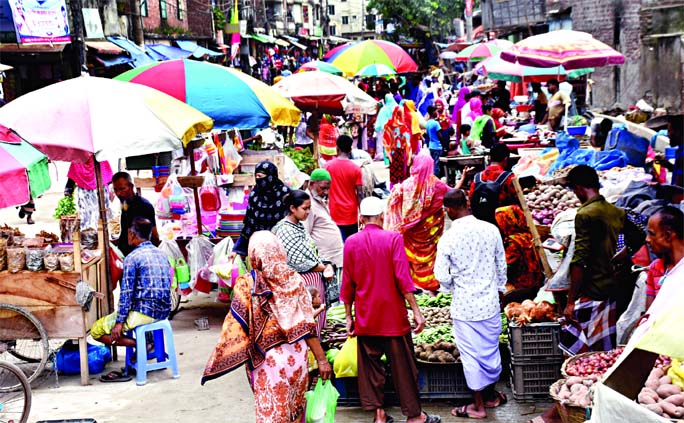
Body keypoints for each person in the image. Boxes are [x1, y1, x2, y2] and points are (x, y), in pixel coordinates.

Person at [202, 231, 332, 423]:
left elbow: (235, 325)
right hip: (297, 356)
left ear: (254, 254)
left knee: (272, 413)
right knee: (295, 409)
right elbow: (308, 324)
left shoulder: (248, 283)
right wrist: (322, 360)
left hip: (268, 360)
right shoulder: (294, 280)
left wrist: (221, 357)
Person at [341, 197, 440, 423]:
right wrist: (416, 310)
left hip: (366, 318)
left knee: (372, 371)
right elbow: (402, 278)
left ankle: (379, 416)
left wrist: (348, 315)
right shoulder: (392, 238)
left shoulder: (351, 242)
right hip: (393, 318)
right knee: (404, 369)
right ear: (383, 217)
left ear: (361, 219)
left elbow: (347, 283)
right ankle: (415, 417)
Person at [434, 189, 507, 419]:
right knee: (490, 351)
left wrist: (449, 286)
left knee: (471, 356)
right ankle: (492, 396)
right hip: (489, 304)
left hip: (465, 307)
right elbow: (501, 265)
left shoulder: (448, 238)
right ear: (467, 203)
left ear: (449, 210)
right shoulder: (490, 229)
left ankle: (478, 406)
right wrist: (500, 289)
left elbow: (441, 275)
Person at [560, 165, 644, 355]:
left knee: (582, 344)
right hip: (613, 286)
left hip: (593, 288)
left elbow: (579, 259)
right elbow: (639, 235)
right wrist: (626, 252)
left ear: (579, 188)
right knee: (605, 344)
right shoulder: (616, 211)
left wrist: (571, 301)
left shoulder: (584, 214)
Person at [91, 218, 171, 382]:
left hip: (143, 312)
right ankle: (144, 345)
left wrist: (119, 322)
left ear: (132, 235)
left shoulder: (132, 258)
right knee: (127, 315)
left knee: (96, 331)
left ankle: (141, 346)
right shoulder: (162, 254)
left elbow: (126, 294)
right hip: (163, 311)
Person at [385, 151, 450, 292]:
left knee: (412, 256)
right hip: (430, 232)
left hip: (412, 233)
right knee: (431, 257)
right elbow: (451, 195)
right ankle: (430, 285)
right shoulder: (436, 185)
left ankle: (414, 284)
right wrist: (462, 180)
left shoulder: (406, 185)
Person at [272, 190, 335, 336]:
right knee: (306, 322)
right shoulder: (285, 230)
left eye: (309, 208)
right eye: (304, 208)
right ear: (292, 208)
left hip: (313, 279)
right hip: (302, 281)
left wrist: (326, 265)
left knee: (316, 319)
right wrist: (325, 267)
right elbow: (297, 261)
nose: (307, 212)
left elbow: (311, 252)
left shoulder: (298, 226)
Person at [232, 161, 290, 256]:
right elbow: (249, 225)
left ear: (271, 176)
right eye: (256, 176)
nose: (258, 180)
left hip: (282, 247)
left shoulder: (285, 194)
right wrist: (236, 250)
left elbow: (290, 222)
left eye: (261, 176)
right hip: (258, 247)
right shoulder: (255, 195)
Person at [303, 169, 344, 301]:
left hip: (334, 259)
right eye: (323, 188)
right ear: (311, 184)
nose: (326, 192)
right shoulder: (306, 204)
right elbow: (305, 234)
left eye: (328, 188)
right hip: (326, 261)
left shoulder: (318, 200)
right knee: (330, 298)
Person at [495, 205, 544, 292]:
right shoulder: (529, 235)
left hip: (522, 284)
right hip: (537, 280)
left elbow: (506, 265)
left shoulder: (513, 242)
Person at [325, 135, 364, 241]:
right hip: (351, 212)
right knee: (352, 244)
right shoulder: (356, 169)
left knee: (339, 244)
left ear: (337, 148)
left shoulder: (327, 167)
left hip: (334, 211)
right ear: (350, 150)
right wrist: (363, 214)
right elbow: (360, 194)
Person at [469, 144, 519, 225]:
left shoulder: (477, 177)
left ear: (489, 158)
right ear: (506, 159)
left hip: (480, 222)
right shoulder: (509, 177)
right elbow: (517, 198)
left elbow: (471, 199)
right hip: (502, 224)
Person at [644, 206, 684, 308]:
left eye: (651, 234)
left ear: (667, 236)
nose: (647, 239)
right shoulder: (655, 268)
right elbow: (650, 313)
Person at [112, 172, 159, 257]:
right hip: (126, 256)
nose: (118, 193)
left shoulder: (144, 206)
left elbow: (154, 235)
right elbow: (125, 232)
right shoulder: (125, 204)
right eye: (115, 190)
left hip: (139, 257)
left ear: (131, 187)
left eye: (122, 189)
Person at [66, 157, 114, 230]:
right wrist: (68, 188)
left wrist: (111, 189)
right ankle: (89, 237)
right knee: (86, 220)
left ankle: (102, 236)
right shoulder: (78, 158)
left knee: (102, 219)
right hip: (84, 193)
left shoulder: (100, 157)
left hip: (100, 191)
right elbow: (72, 176)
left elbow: (108, 176)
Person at [384, 107, 412, 186]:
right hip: (401, 153)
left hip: (393, 153)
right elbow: (407, 143)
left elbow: (386, 141)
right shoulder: (403, 127)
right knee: (403, 175)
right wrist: (409, 156)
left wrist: (388, 153)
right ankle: (402, 191)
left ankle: (394, 191)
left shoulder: (388, 126)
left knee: (394, 175)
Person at [426, 105, 443, 176]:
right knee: (437, 164)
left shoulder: (428, 123)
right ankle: (435, 178)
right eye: (436, 111)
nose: (437, 112)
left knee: (433, 163)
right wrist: (443, 144)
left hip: (431, 146)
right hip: (437, 146)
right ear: (433, 112)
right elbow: (440, 135)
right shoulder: (436, 123)